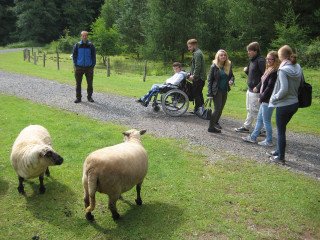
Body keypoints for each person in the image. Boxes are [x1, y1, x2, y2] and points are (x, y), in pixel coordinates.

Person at [268, 45, 302, 165]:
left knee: (281, 131)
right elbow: (301, 83)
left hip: (284, 105)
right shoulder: (297, 67)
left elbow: (283, 89)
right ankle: (278, 151)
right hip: (295, 103)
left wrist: (274, 97)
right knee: (281, 129)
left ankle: (280, 157)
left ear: (282, 56)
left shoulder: (283, 70)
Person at [242, 51, 280, 145]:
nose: (267, 60)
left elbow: (270, 87)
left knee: (266, 121)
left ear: (275, 60)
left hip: (268, 100)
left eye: (270, 59)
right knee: (259, 119)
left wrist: (261, 97)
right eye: (267, 58)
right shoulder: (269, 69)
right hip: (265, 99)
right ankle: (253, 137)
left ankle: (269, 140)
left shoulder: (274, 72)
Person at [235, 42, 266, 133]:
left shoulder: (260, 60)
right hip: (250, 89)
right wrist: (246, 71)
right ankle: (247, 127)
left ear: (255, 51)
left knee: (255, 110)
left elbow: (265, 76)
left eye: (250, 51)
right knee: (250, 109)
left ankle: (262, 129)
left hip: (256, 91)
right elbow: (252, 73)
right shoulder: (252, 60)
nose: (248, 53)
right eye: (248, 51)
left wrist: (258, 86)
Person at [207, 49, 234, 133]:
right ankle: (211, 127)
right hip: (216, 90)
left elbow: (232, 76)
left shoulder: (228, 65)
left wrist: (232, 80)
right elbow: (210, 80)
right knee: (217, 109)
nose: (223, 56)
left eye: (224, 55)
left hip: (224, 90)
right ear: (217, 56)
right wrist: (209, 94)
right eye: (221, 55)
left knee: (221, 109)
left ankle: (215, 123)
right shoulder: (214, 66)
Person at [72, 31, 96, 103]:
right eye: (83, 36)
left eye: (86, 36)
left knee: (90, 83)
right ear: (81, 36)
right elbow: (74, 56)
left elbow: (93, 56)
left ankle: (89, 97)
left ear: (87, 36)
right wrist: (76, 64)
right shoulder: (77, 45)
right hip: (79, 67)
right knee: (78, 83)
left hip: (89, 68)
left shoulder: (91, 45)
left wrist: (92, 65)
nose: (84, 37)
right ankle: (78, 98)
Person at [187, 39, 206, 113]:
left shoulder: (197, 54)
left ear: (195, 45)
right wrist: (190, 73)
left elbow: (198, 66)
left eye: (190, 47)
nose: (189, 49)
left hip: (199, 78)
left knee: (196, 93)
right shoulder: (197, 52)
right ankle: (199, 109)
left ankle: (199, 110)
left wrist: (194, 76)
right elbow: (194, 66)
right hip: (200, 78)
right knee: (198, 93)